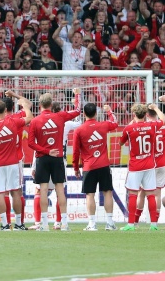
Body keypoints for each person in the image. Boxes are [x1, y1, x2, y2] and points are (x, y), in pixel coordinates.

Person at [28, 88, 81, 231]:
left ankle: (43, 224)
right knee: (60, 190)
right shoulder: (60, 117)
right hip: (58, 158)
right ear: (51, 105)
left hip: (43, 158)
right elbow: (77, 111)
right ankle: (64, 224)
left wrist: (45, 151)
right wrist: (77, 95)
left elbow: (30, 144)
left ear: (40, 105)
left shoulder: (35, 121)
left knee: (42, 190)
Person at [0, 98, 32, 231]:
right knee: (16, 192)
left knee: (0, 193)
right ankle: (18, 224)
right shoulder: (13, 121)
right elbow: (29, 118)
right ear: (5, 110)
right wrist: (25, 105)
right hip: (13, 163)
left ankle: (4, 224)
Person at [72, 103, 118, 231]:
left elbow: (75, 152)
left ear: (84, 114)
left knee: (89, 195)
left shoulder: (79, 130)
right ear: (96, 114)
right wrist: (109, 111)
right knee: (107, 192)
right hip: (104, 165)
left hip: (89, 166)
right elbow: (115, 123)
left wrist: (76, 168)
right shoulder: (103, 125)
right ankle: (109, 223)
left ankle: (92, 224)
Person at [119, 103, 165, 231]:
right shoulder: (151, 126)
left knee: (134, 194)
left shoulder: (129, 128)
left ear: (134, 114)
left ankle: (131, 224)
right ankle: (154, 225)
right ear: (145, 115)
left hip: (135, 166)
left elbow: (120, 143)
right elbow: (163, 120)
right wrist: (156, 108)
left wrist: (130, 126)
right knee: (151, 194)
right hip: (150, 165)